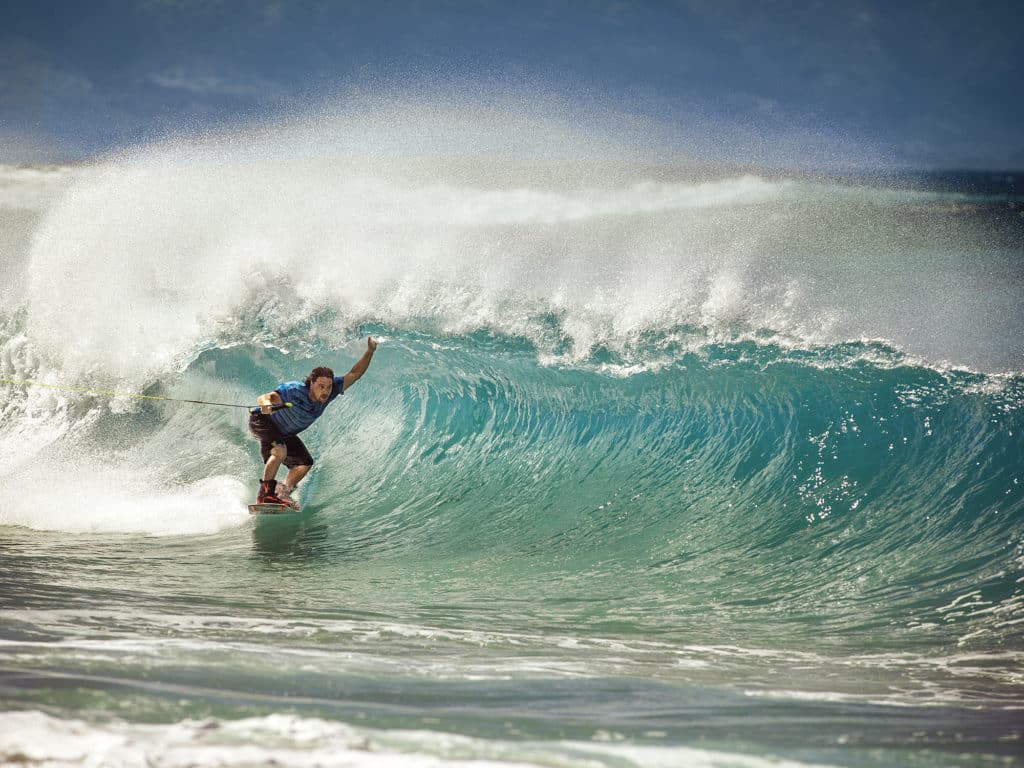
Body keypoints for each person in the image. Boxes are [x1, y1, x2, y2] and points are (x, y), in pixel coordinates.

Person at [249, 336, 377, 508]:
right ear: (311, 384)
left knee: (304, 463)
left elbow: (355, 374)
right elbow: (266, 397)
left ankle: (283, 493)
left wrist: (370, 351)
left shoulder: (332, 392)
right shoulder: (294, 390)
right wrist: (265, 405)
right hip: (263, 421)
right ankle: (265, 495)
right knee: (280, 451)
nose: (325, 391)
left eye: (328, 387)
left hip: (285, 433)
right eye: (321, 386)